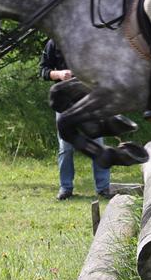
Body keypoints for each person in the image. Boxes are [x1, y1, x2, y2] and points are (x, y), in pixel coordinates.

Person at [39, 39, 111, 200]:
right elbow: (43, 70)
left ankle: (103, 188)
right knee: (66, 148)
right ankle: (65, 188)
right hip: (64, 103)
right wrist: (59, 74)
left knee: (97, 144)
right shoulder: (53, 43)